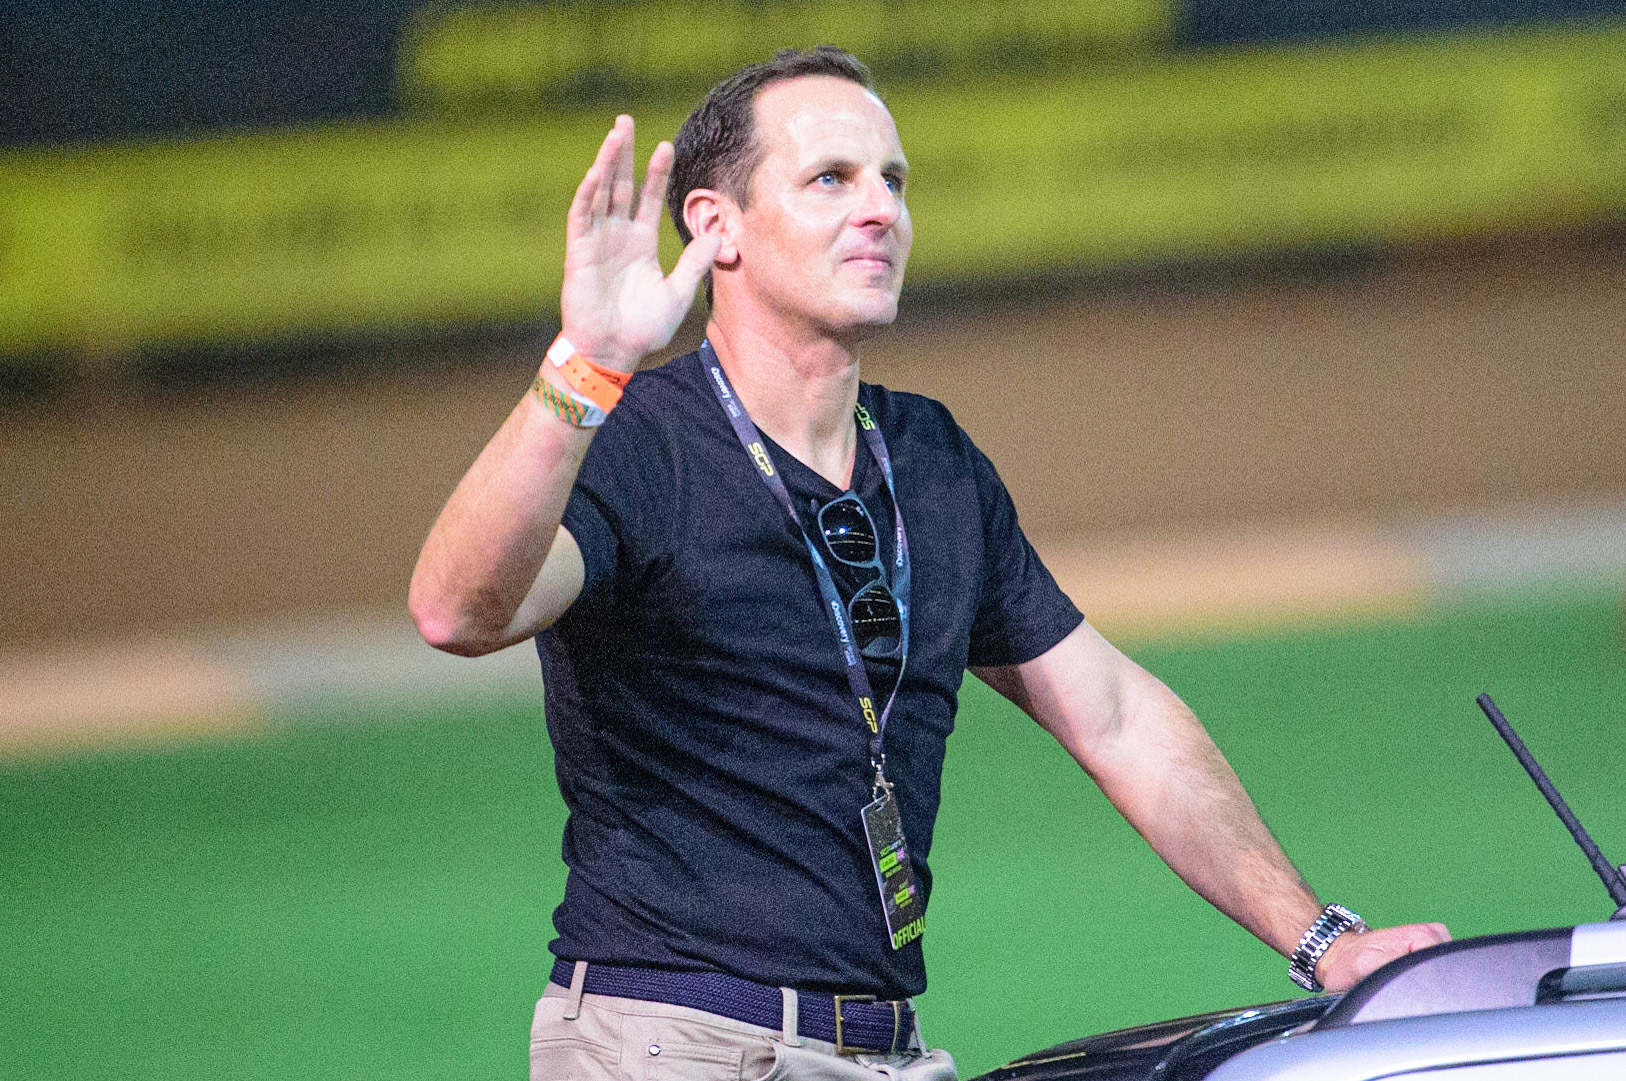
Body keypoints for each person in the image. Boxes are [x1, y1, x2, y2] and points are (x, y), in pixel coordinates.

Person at [409, 47, 1450, 1081]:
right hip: (677, 1040)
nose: (880, 210)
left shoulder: (931, 459)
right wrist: (584, 368)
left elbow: (1117, 718)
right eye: (831, 179)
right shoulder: (640, 446)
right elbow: (458, 611)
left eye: (893, 181)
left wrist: (1325, 942)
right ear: (714, 227)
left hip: (885, 1047)